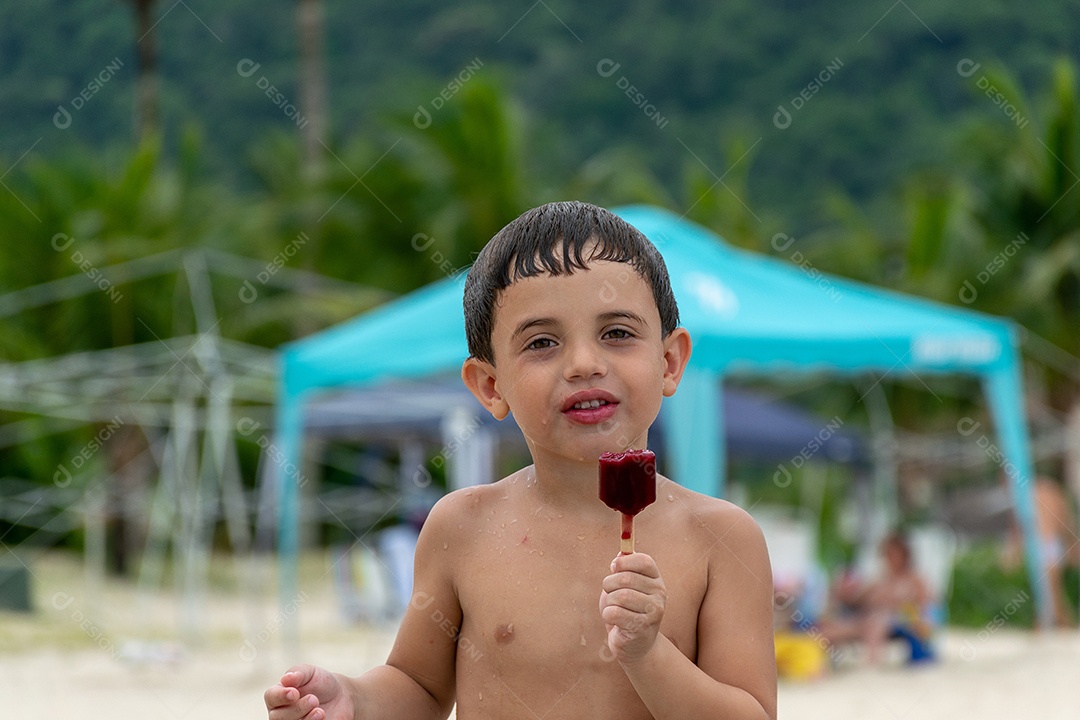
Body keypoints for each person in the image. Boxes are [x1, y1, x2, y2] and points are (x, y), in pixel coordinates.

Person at [264, 201, 777, 719]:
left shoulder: (721, 540)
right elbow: (417, 686)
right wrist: (354, 701)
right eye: (542, 342)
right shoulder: (462, 527)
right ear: (490, 385)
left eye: (617, 333)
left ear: (669, 361)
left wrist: (648, 653)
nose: (583, 364)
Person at [818, 532, 932, 665]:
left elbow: (924, 607)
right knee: (830, 626)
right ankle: (822, 661)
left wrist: (908, 613)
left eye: (893, 553)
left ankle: (872, 663)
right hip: (866, 619)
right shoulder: (879, 579)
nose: (890, 557)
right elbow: (858, 600)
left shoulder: (914, 580)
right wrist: (843, 592)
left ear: (904, 555)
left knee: (876, 622)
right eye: (887, 553)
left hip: (897, 622)